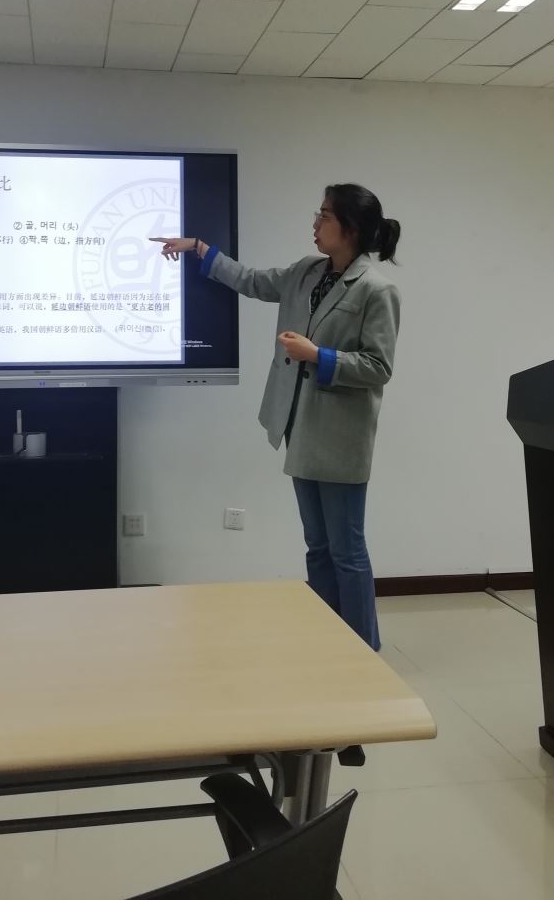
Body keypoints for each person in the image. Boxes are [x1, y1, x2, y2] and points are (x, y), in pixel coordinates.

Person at [152, 184, 400, 650]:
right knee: (318, 546)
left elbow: (378, 367)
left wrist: (318, 355)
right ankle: (330, 639)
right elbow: (252, 280)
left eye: (324, 216)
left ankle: (363, 649)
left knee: (347, 550)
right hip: (299, 426)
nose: (315, 224)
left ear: (350, 228)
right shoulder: (306, 271)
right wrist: (198, 248)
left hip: (341, 436)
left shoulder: (376, 289)